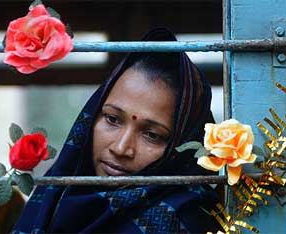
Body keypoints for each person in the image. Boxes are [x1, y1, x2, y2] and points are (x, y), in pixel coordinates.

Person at [12, 28, 221, 233]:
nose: (121, 149)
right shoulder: (54, 196)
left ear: (180, 149)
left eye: (152, 135)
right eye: (112, 119)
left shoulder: (183, 219)